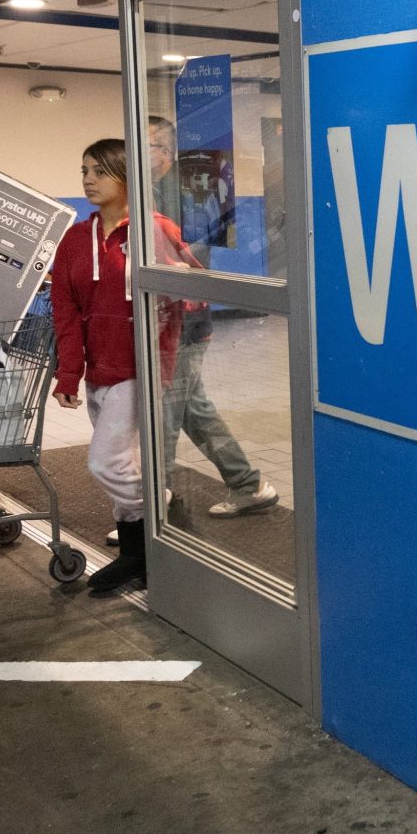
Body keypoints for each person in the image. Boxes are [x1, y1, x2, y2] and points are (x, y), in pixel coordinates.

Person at [50, 137, 187, 597]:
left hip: (139, 370)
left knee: (105, 464)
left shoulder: (154, 231)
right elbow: (65, 313)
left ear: (127, 177)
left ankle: (157, 518)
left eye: (99, 171)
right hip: (99, 371)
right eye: (84, 170)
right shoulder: (75, 240)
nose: (88, 179)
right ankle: (137, 555)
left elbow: (191, 291)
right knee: (125, 463)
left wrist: (164, 349)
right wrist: (69, 374)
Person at [147, 116, 279, 519]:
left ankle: (154, 506)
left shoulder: (185, 194)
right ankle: (248, 484)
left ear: (165, 152)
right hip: (170, 317)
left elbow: (194, 254)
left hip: (183, 320)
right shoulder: (151, 190)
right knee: (191, 409)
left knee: (166, 411)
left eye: (145, 145)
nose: (136, 154)